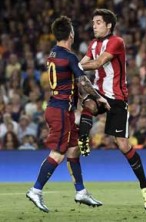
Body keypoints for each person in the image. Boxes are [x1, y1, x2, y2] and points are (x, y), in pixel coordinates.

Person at [26, 16, 110, 213]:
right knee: (58, 153)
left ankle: (81, 191)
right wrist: (99, 98)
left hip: (60, 108)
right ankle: (36, 189)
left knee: (73, 150)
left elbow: (71, 83)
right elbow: (83, 83)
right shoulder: (70, 56)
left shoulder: (52, 55)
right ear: (71, 34)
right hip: (61, 110)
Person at [77, 9, 146, 210]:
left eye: (98, 22)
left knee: (122, 144)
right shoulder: (92, 44)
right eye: (93, 22)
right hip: (99, 93)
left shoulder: (116, 42)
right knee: (89, 102)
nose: (94, 25)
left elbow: (98, 63)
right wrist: (73, 67)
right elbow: (82, 63)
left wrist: (74, 68)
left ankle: (145, 186)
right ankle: (83, 138)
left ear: (109, 25)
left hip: (117, 98)